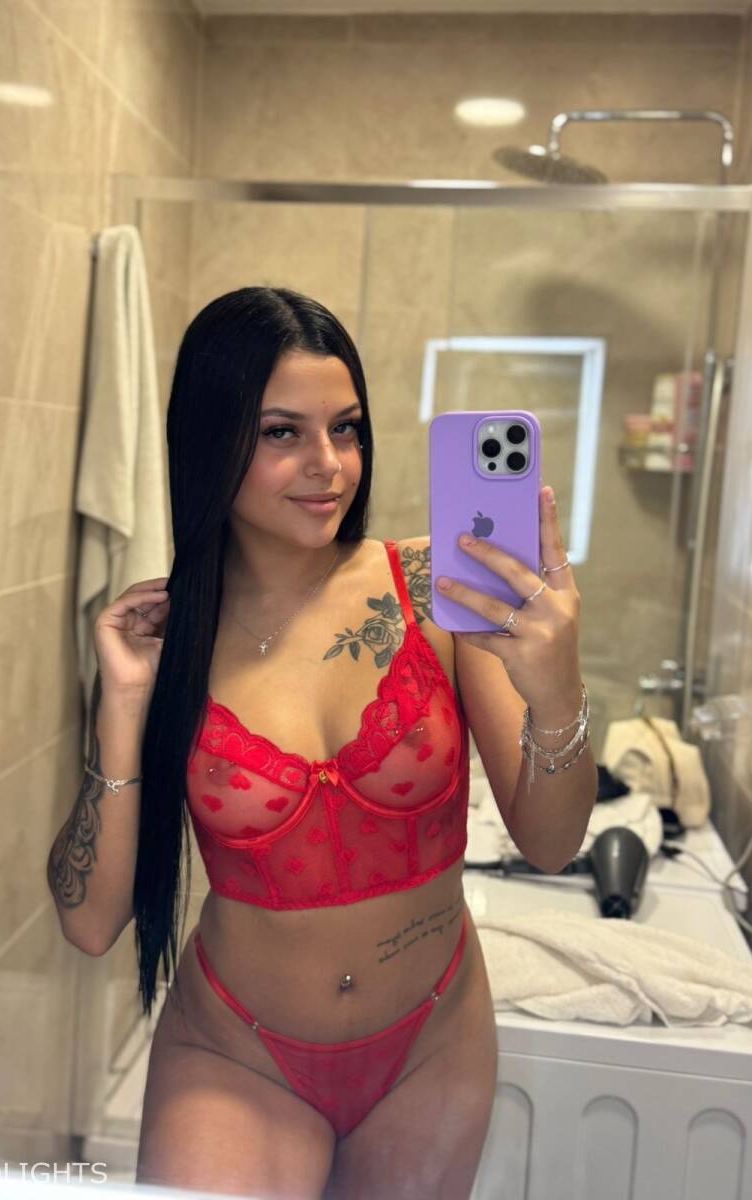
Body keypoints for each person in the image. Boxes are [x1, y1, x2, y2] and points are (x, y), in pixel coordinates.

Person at [46, 286, 594, 1199]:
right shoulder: (166, 638)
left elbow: (552, 841)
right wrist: (125, 705)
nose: (329, 465)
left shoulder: (438, 590)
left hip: (432, 1045)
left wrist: (558, 689)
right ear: (212, 439)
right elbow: (90, 923)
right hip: (236, 1055)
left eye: (346, 429)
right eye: (282, 433)